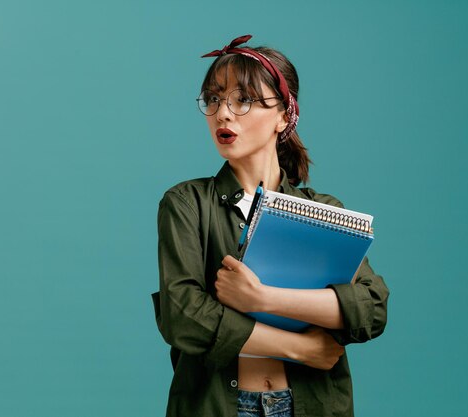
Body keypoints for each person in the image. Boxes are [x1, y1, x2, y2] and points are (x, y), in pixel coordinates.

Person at [152, 34, 389, 417]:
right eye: (213, 99)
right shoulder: (187, 204)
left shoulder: (323, 211)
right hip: (219, 406)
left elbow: (372, 309)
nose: (222, 114)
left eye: (243, 100)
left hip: (311, 405)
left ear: (283, 115)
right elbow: (184, 317)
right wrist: (300, 347)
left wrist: (261, 299)